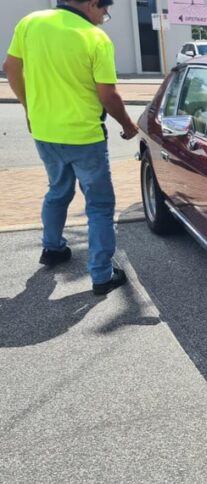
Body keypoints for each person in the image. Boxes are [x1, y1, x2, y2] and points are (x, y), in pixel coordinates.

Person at [3, 0, 138, 295]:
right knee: (100, 206)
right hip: (84, 136)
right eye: (104, 10)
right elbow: (108, 95)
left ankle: (52, 249)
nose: (105, 17)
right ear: (91, 3)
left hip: (44, 132)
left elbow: (10, 67)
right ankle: (102, 275)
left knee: (57, 190)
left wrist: (29, 108)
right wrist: (128, 125)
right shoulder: (94, 37)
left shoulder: (31, 22)